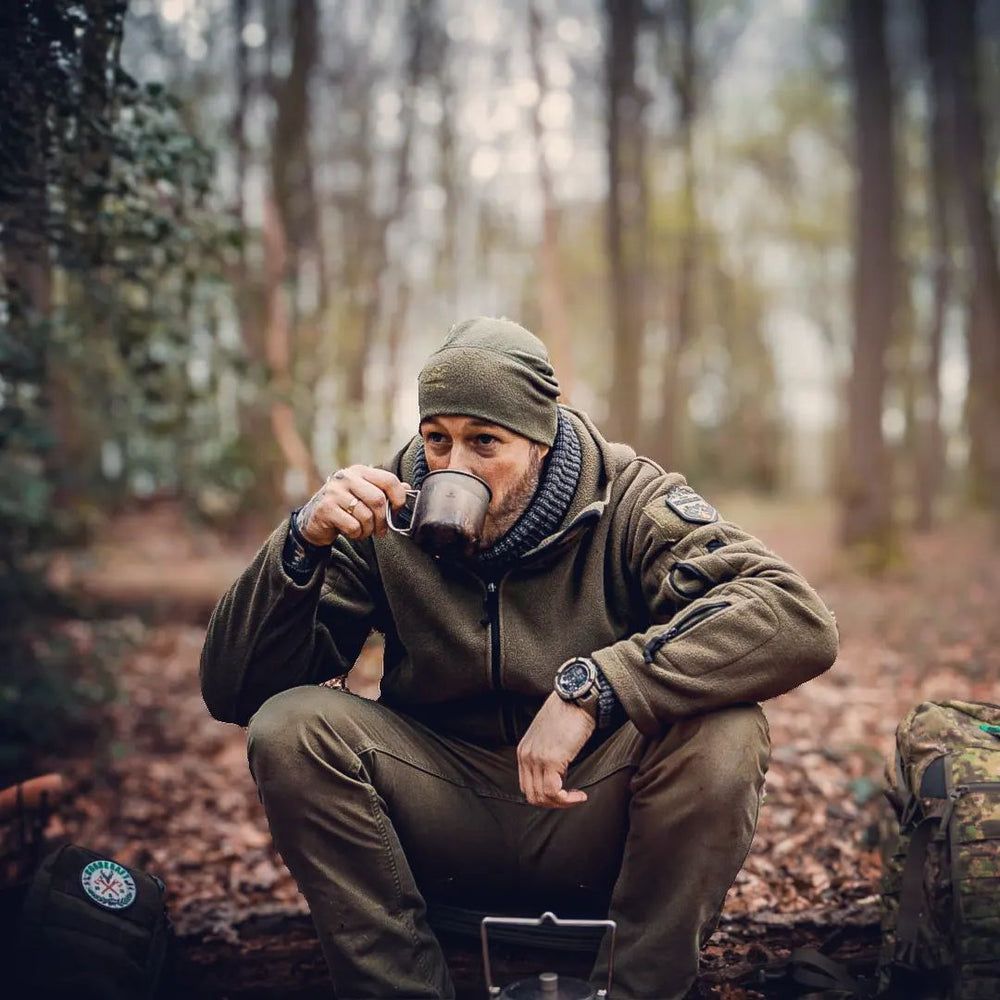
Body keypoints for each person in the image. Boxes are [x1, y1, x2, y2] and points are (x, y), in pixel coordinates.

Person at [200, 317, 839, 999]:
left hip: (590, 807)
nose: (453, 467)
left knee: (726, 731)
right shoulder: (385, 509)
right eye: (436, 438)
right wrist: (300, 543)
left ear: (541, 436)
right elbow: (235, 691)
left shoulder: (628, 499)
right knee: (292, 727)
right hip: (439, 807)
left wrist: (596, 687)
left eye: (485, 443)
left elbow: (794, 616)